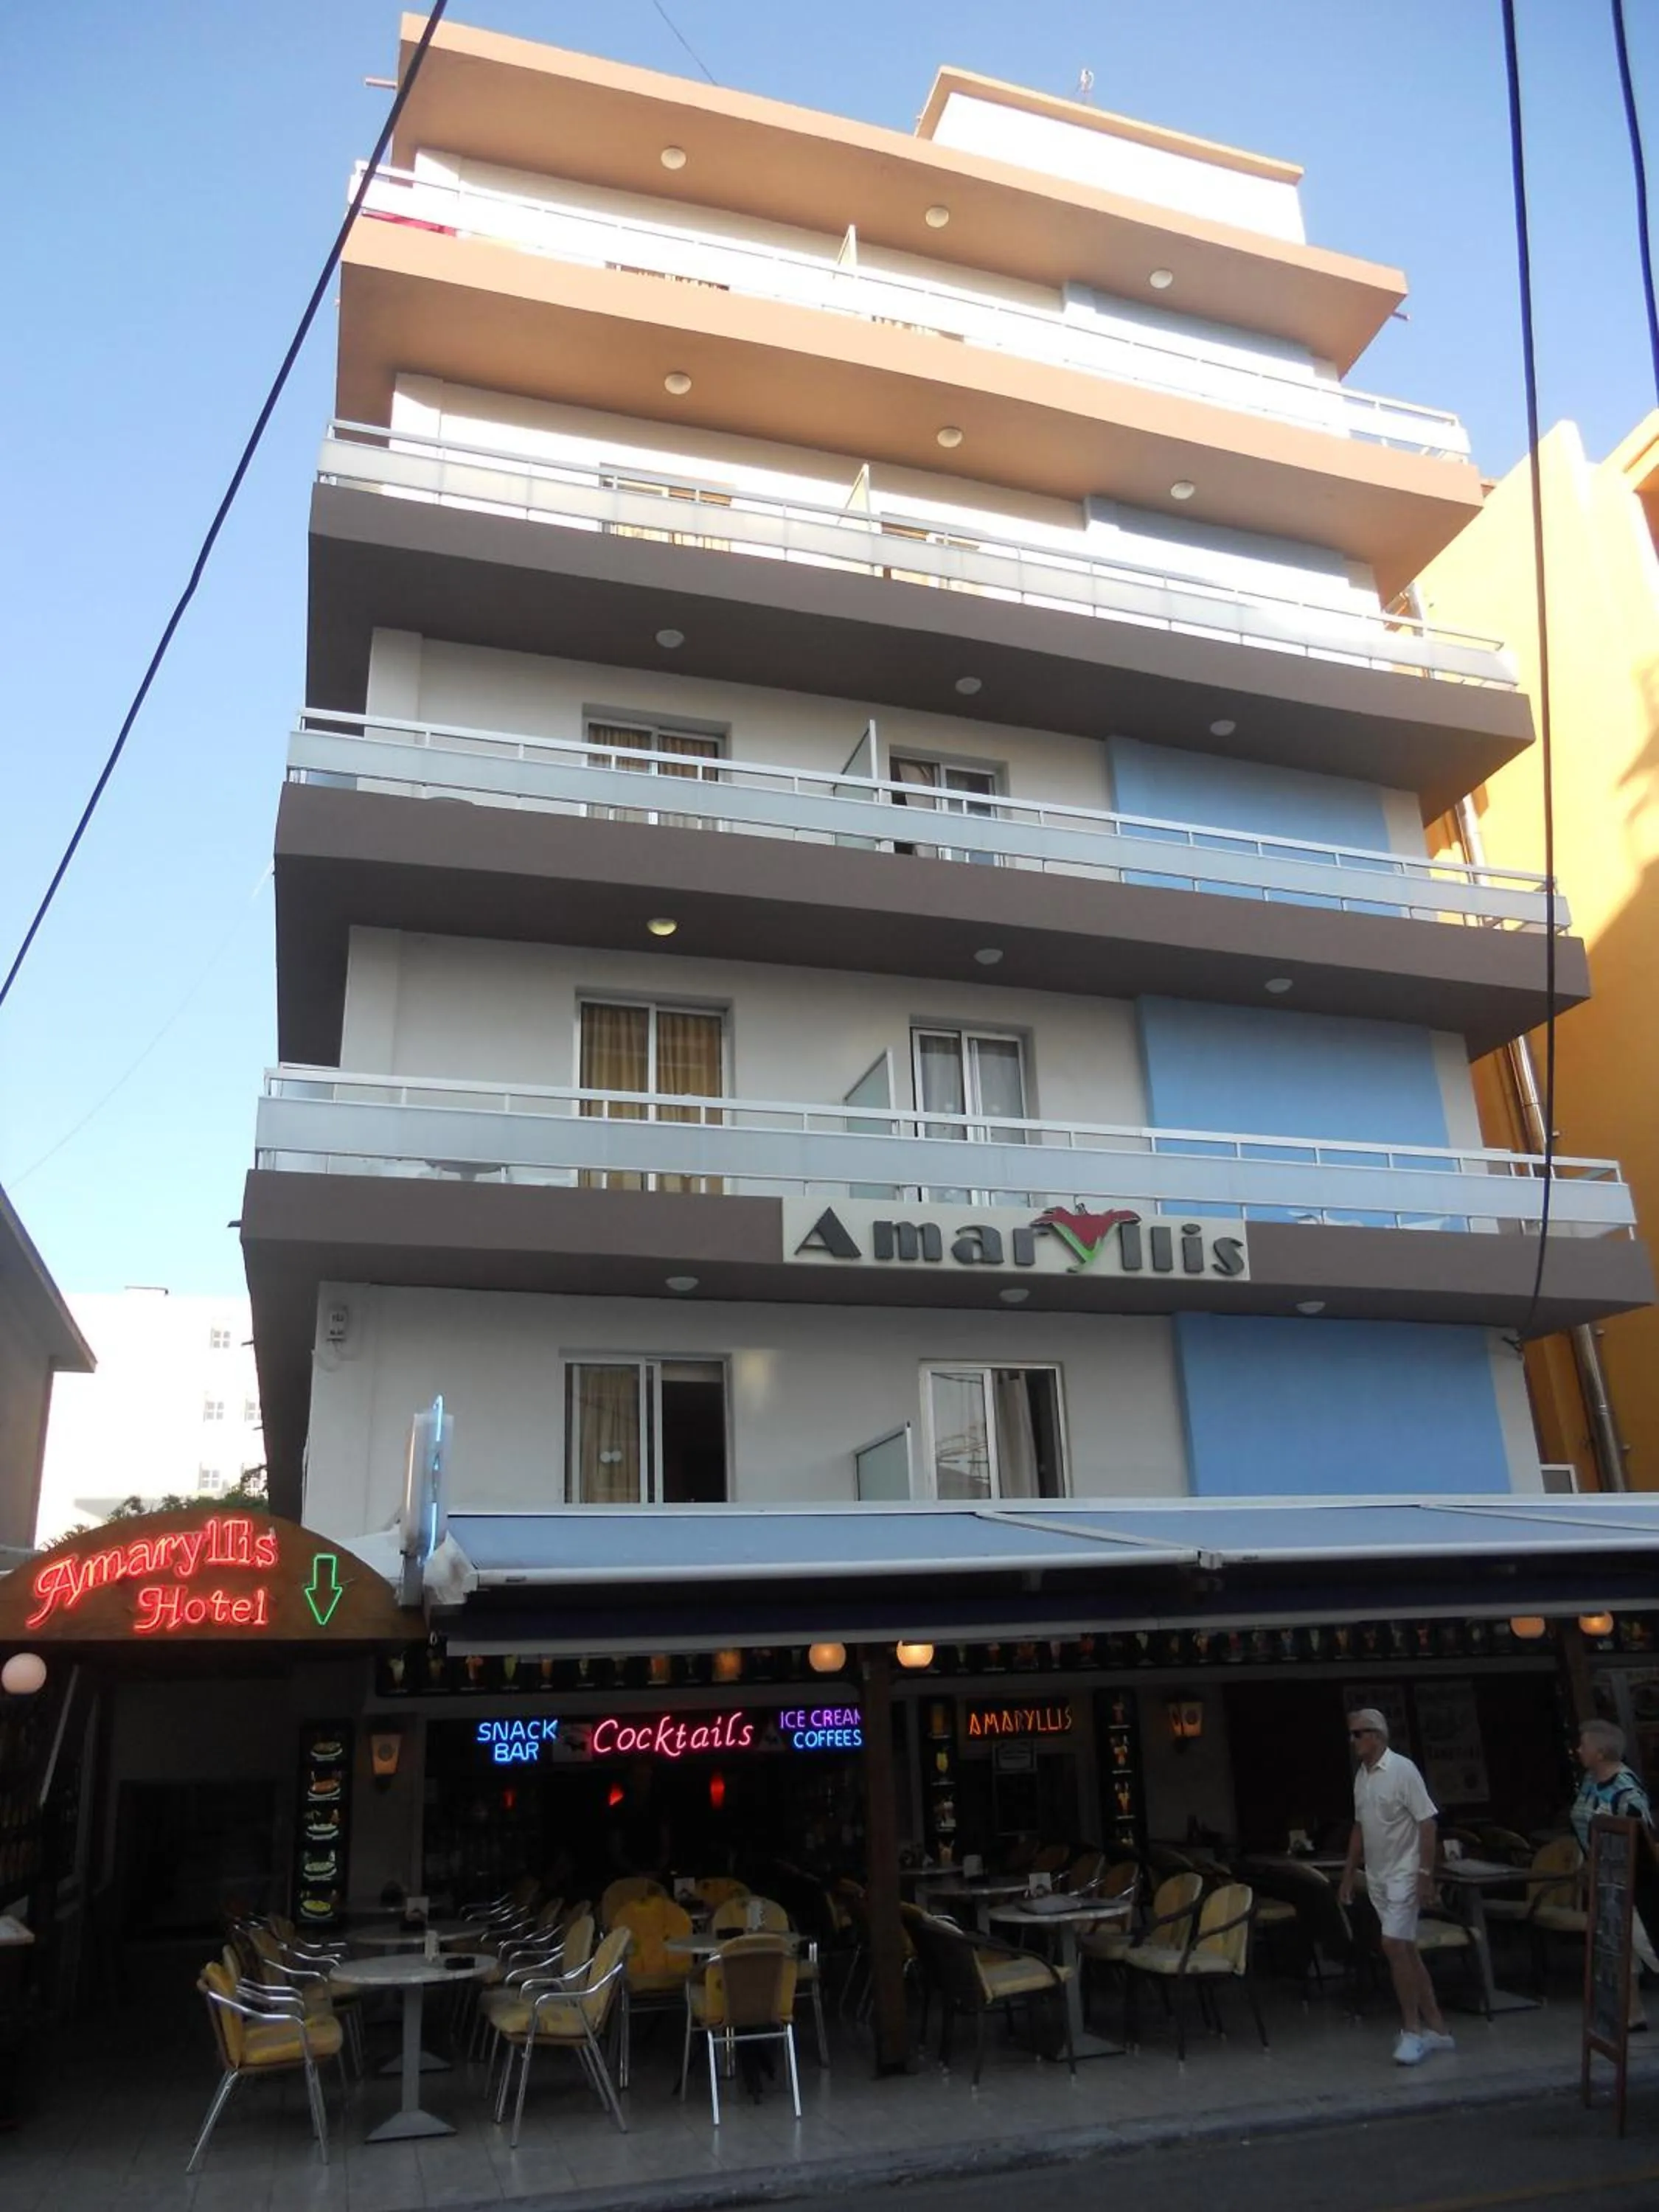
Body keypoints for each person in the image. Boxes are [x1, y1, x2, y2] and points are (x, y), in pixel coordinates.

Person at [1338, 1708, 1455, 2065]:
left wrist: (1424, 1874)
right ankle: (1438, 2028)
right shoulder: (1362, 1777)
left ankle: (1412, 2029)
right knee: (1406, 1949)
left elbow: (1427, 1823)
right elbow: (1360, 1827)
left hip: (1404, 1872)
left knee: (1392, 1944)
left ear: (1376, 1735)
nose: (1353, 1741)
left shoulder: (1402, 1770)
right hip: (1378, 1874)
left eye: (1359, 1734)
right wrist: (1349, 1873)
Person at [1571, 1717, 1658, 2028]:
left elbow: (1642, 1839)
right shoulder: (1590, 1780)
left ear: (1601, 1752)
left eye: (1584, 1745)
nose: (1578, 1750)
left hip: (1630, 1880)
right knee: (1618, 1947)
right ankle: (1632, 2013)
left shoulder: (1627, 1792)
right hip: (1604, 1877)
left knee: (1644, 1941)